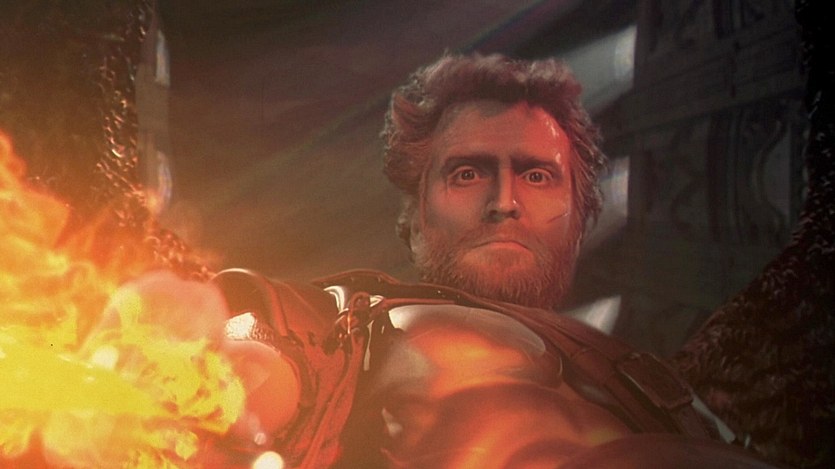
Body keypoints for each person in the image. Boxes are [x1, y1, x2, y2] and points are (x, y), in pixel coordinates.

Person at [214, 52, 781, 468]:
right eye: (467, 173)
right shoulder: (358, 320)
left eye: (537, 175)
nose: (505, 201)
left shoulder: (659, 386)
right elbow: (254, 347)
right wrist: (225, 375)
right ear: (414, 215)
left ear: (580, 215)